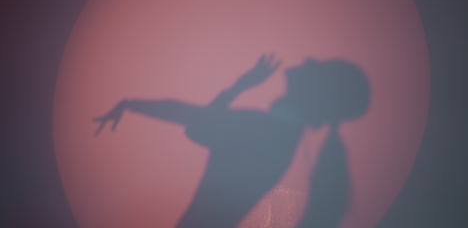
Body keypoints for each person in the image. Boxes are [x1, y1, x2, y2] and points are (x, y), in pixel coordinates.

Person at [94, 54, 369, 228]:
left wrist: (240, 85)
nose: (308, 59)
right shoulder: (279, 135)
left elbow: (197, 126)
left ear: (318, 93)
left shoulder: (267, 130)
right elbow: (199, 124)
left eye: (318, 66)